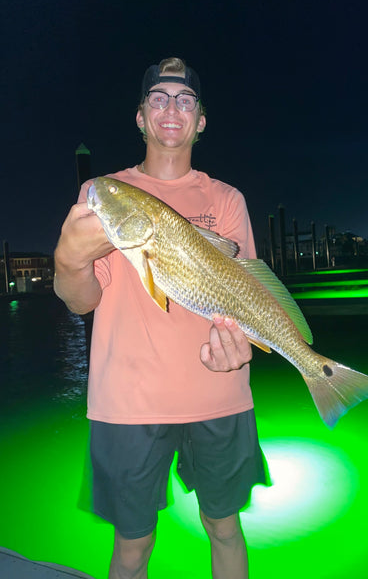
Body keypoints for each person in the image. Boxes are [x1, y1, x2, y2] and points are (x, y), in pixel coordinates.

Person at [54, 57, 268, 579]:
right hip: (127, 403)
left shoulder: (226, 199)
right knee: (132, 548)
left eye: (184, 100)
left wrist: (244, 346)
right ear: (140, 118)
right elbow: (80, 300)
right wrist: (68, 258)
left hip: (219, 396)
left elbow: (246, 293)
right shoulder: (104, 193)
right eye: (158, 98)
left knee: (225, 529)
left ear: (200, 121)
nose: (171, 108)